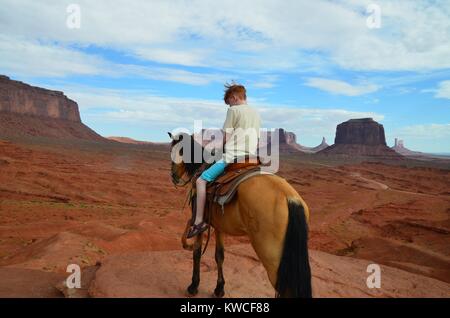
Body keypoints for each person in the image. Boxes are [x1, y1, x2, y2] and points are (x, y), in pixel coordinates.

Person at [187, 83, 261, 238]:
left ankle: (199, 221)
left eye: (229, 102)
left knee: (201, 181)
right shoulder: (255, 112)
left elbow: (226, 135)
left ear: (234, 98)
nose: (229, 105)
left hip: (233, 156)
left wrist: (220, 151)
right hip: (252, 157)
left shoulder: (233, 110)